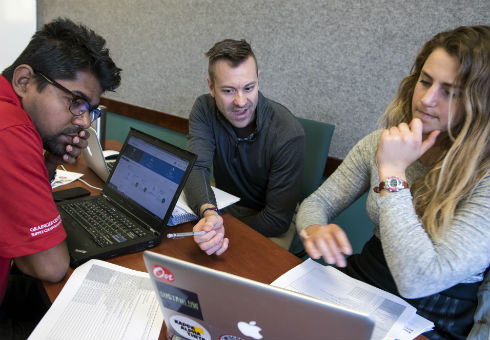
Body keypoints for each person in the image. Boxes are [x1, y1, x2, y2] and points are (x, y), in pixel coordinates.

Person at [296, 25, 489, 340]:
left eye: (449, 92)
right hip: (369, 276)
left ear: (480, 105)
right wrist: (313, 227)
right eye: (425, 82)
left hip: (435, 310)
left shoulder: (485, 178)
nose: (427, 100)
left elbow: (418, 280)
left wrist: (394, 174)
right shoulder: (382, 142)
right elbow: (318, 202)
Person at [0, 18, 121, 339]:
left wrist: (51, 161)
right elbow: (48, 267)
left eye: (90, 109)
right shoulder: (11, 131)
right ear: (25, 80)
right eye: (75, 100)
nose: (84, 122)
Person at [184, 39, 305, 256]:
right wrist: (210, 214)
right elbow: (196, 167)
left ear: (258, 78)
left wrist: (222, 227)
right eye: (229, 91)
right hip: (223, 206)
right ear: (211, 87)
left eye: (249, 88)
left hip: (268, 220)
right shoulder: (204, 109)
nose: (241, 102)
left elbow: (277, 220)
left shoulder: (288, 132)